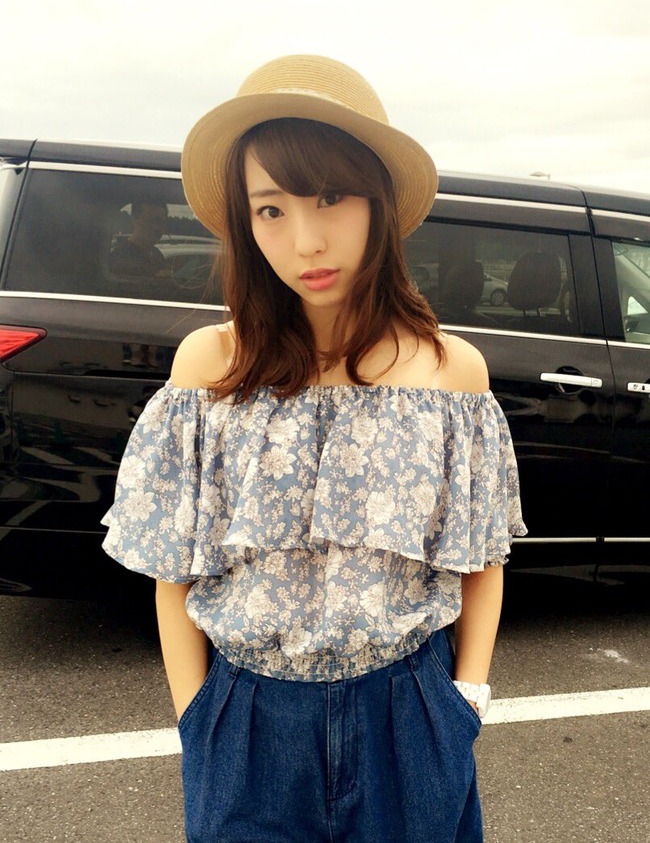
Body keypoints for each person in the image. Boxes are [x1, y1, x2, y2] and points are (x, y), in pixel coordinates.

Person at [102, 54, 527, 842]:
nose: (306, 239)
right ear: (245, 222)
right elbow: (174, 570)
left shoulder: (451, 374)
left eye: (331, 196)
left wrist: (465, 699)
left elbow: (481, 556)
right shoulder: (209, 368)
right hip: (248, 721)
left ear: (377, 199)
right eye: (271, 209)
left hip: (408, 712)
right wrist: (199, 721)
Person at [109, 200, 169, 277]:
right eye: (149, 220)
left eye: (160, 222)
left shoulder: (157, 254)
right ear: (134, 221)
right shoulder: (119, 258)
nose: (155, 227)